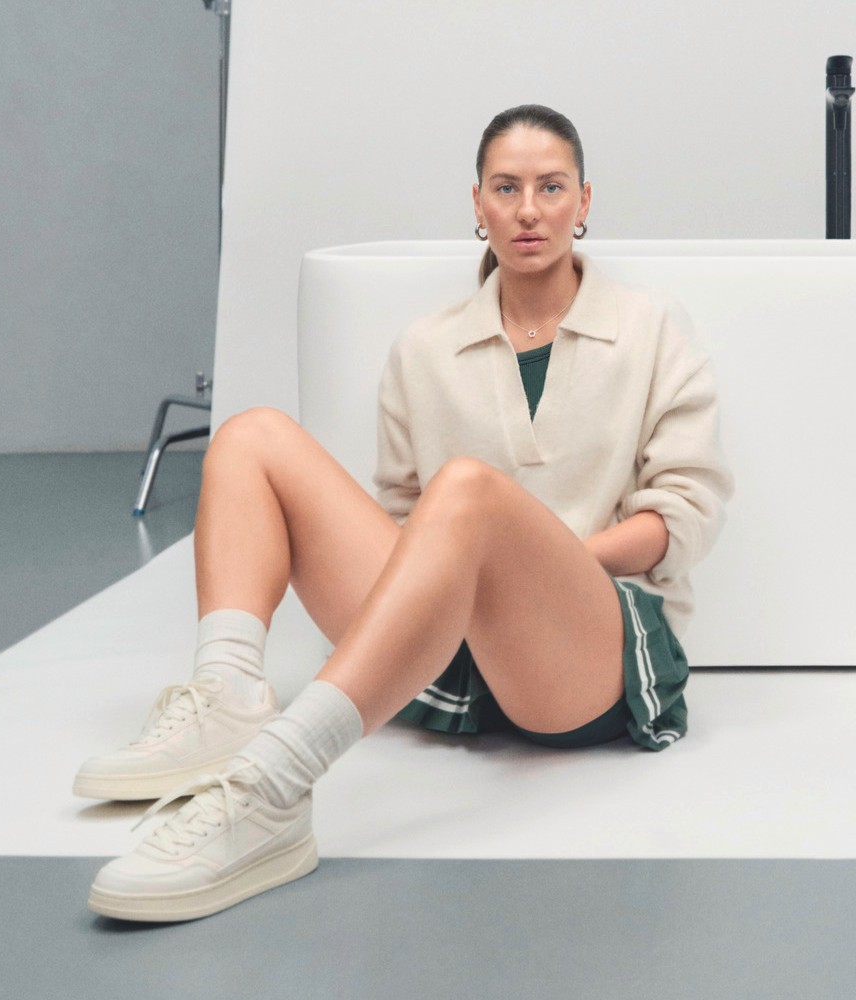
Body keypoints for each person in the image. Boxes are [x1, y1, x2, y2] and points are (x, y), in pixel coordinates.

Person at [73, 104, 732, 922]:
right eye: (507, 187)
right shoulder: (426, 345)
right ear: (478, 203)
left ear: (584, 201)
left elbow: (683, 516)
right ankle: (228, 695)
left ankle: (276, 784)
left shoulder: (650, 325)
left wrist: (522, 565)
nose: (529, 210)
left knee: (467, 491)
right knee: (250, 436)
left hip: (587, 655)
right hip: (454, 654)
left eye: (552, 186)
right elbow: (402, 519)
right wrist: (460, 575)